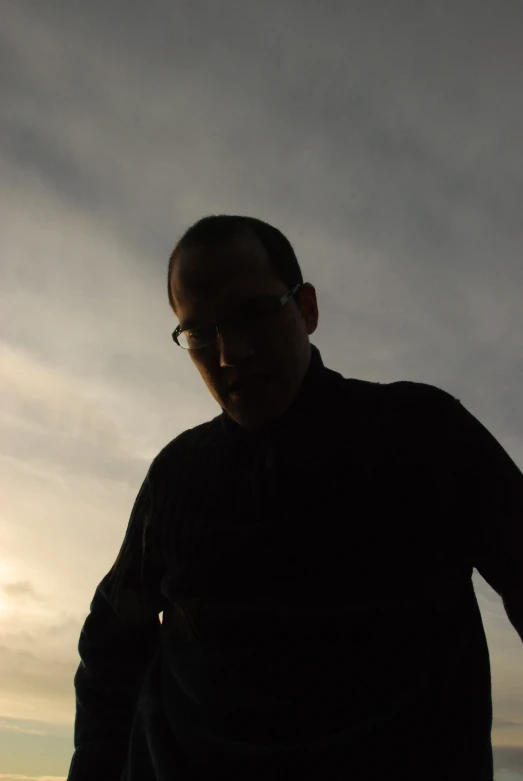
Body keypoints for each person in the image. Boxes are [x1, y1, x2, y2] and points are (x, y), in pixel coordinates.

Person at [67, 215, 523, 781]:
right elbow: (113, 646)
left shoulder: (422, 434)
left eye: (251, 314)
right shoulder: (176, 476)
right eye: (201, 332)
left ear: (306, 308)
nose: (230, 355)